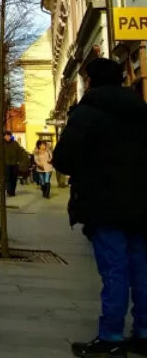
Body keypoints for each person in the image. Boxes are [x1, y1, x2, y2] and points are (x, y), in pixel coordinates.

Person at [53, 58, 147, 358]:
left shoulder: (87, 114)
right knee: (141, 268)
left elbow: (63, 159)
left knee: (114, 271)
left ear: (90, 81)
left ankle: (111, 337)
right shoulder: (141, 111)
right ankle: (144, 333)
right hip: (142, 203)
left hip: (103, 203)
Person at [2, 132, 25, 197]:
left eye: (9, 136)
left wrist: (19, 161)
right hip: (6, 163)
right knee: (8, 177)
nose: (7, 137)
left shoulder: (15, 143)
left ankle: (12, 191)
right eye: (6, 136)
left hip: (15, 163)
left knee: (14, 178)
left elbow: (19, 152)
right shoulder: (2, 144)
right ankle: (9, 191)